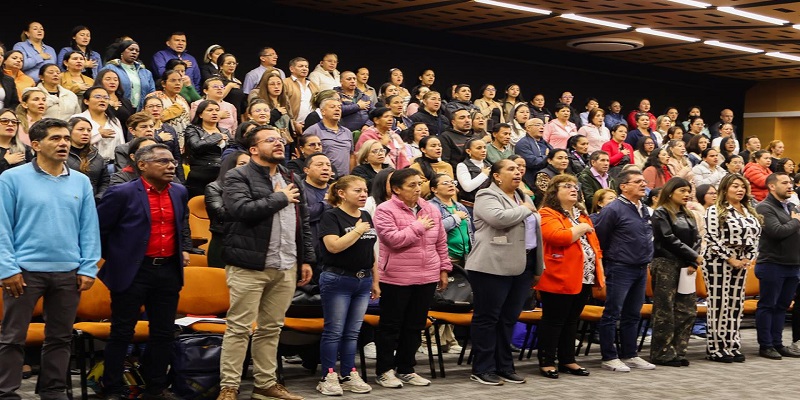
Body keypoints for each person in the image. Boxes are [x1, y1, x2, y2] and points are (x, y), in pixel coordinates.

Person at [0, 118, 100, 399]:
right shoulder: (11, 178)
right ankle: (6, 392)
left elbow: (89, 227)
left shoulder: (81, 181)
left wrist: (88, 267)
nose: (64, 143)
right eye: (55, 138)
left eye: (66, 138)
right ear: (35, 145)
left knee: (60, 337)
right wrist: (7, 268)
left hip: (69, 271)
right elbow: (2, 227)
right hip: (23, 272)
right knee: (12, 338)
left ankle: (53, 391)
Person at [216, 125, 314, 400]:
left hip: (285, 264)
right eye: (270, 140)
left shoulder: (291, 176)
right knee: (239, 328)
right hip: (249, 265)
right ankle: (230, 387)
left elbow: (302, 222)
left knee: (271, 329)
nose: (279, 143)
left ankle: (265, 384)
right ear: (254, 149)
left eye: (280, 139)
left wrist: (306, 259)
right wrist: (279, 198)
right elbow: (240, 211)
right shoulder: (238, 176)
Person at [97, 143, 191, 400]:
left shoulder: (180, 192)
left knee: (163, 333)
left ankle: (156, 387)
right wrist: (119, 259)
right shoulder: (122, 193)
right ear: (142, 165)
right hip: (133, 272)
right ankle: (113, 388)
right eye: (162, 161)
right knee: (122, 332)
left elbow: (180, 227)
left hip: (168, 271)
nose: (171, 166)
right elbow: (100, 231)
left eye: (172, 161)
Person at [370, 168, 451, 388]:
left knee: (415, 326)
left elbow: (440, 242)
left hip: (427, 276)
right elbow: (393, 240)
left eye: (419, 184)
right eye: (411, 185)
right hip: (396, 277)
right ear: (396, 189)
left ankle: (406, 368)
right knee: (391, 326)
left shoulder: (431, 208)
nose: (417, 189)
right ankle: (385, 370)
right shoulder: (384, 210)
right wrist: (418, 226)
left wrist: (444, 268)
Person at [466, 159, 543, 386]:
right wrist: (524, 209)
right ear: (497, 176)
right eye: (510, 169)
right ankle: (482, 368)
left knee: (508, 319)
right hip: (491, 265)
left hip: (523, 264)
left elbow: (535, 231)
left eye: (519, 168)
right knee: (488, 318)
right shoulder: (486, 196)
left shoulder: (523, 196)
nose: (518, 171)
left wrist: (539, 265)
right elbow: (498, 219)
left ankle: (504, 366)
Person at [315, 175, 378, 396]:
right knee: (334, 331)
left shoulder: (366, 215)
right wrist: (358, 230)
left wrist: (375, 280)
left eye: (365, 190)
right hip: (338, 279)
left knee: (353, 332)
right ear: (341, 193)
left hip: (363, 280)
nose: (363, 195)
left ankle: (349, 373)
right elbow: (333, 247)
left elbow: (370, 251)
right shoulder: (331, 216)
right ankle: (328, 375)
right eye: (357, 191)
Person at [536, 174, 603, 378]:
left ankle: (568, 360)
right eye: (567, 186)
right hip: (559, 274)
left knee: (572, 320)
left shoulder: (581, 214)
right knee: (554, 320)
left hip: (584, 275)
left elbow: (595, 246)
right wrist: (581, 229)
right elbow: (558, 237)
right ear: (555, 192)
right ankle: (547, 361)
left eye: (575, 186)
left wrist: (599, 269)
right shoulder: (547, 213)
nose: (573, 189)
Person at [593, 169, 656, 372]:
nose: (643, 184)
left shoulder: (643, 208)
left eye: (644, 181)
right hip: (620, 266)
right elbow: (600, 237)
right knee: (612, 313)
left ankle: (630, 354)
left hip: (640, 266)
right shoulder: (613, 209)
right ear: (624, 186)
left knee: (633, 314)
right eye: (637, 181)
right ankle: (609, 356)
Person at [703, 173, 762, 362]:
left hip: (742, 261)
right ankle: (717, 348)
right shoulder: (715, 210)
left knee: (736, 305)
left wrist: (747, 258)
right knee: (720, 305)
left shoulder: (748, 211)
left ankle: (732, 344)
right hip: (718, 261)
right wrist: (730, 258)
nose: (740, 190)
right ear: (725, 189)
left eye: (742, 186)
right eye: (735, 186)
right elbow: (712, 239)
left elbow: (755, 238)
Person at [649, 177, 702, 367]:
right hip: (666, 263)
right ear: (670, 192)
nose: (687, 194)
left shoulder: (688, 213)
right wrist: (694, 256)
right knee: (665, 311)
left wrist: (692, 260)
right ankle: (662, 353)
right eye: (682, 191)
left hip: (686, 265)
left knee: (687, 310)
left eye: (688, 191)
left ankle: (678, 351)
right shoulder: (661, 213)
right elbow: (668, 238)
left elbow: (696, 238)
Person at [754, 172, 800, 359]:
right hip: (772, 263)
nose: (790, 186)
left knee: (782, 306)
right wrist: (796, 221)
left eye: (790, 182)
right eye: (784, 183)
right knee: (768, 305)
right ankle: (766, 345)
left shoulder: (791, 206)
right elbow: (777, 231)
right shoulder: (765, 208)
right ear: (772, 186)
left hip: (793, 263)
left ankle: (778, 343)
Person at [205, 151, 250, 268]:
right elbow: (221, 213)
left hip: (247, 243)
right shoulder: (214, 187)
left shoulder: (254, 187)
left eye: (250, 164)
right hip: (223, 241)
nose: (247, 168)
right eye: (242, 163)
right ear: (231, 166)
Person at [184, 100, 229, 198]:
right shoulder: (192, 129)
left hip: (221, 175)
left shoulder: (225, 131)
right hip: (200, 175)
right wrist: (216, 137)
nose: (214, 113)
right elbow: (196, 146)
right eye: (210, 110)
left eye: (217, 110)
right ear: (200, 115)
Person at [72, 86, 125, 162]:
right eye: (98, 97)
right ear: (86, 101)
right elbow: (73, 143)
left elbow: (121, 144)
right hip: (87, 162)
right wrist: (98, 135)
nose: (102, 100)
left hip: (114, 164)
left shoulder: (114, 121)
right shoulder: (77, 118)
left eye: (106, 98)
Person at [303, 97, 354, 175]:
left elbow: (351, 156)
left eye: (339, 107)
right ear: (323, 111)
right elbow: (305, 155)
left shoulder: (347, 132)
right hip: (323, 177)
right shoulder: (313, 131)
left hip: (344, 179)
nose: (337, 109)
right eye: (332, 107)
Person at [100, 40, 156, 110]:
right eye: (131, 49)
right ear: (122, 51)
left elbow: (152, 93)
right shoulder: (110, 68)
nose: (134, 52)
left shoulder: (146, 72)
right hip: (117, 108)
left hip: (140, 111)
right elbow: (99, 87)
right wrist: (109, 102)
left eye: (137, 51)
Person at [67, 116, 109, 201]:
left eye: (89, 130)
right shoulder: (61, 154)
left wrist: (99, 197)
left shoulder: (96, 156)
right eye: (81, 129)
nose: (86, 133)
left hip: (92, 201)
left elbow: (105, 182)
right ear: (69, 132)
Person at [95, 69, 135, 139]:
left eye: (115, 80)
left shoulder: (125, 101)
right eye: (108, 79)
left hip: (124, 138)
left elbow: (131, 121)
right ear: (100, 81)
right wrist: (109, 104)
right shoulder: (95, 100)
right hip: (103, 137)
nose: (112, 82)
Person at [284, 57, 319, 128]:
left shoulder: (313, 85)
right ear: (292, 69)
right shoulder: (285, 83)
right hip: (293, 125)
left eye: (306, 66)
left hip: (313, 125)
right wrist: (293, 123)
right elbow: (283, 104)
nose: (304, 68)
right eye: (301, 66)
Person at [515, 118, 551, 183]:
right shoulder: (523, 143)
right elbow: (533, 162)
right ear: (528, 128)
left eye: (543, 125)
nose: (542, 127)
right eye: (538, 125)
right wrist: (546, 156)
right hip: (533, 179)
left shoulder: (545, 143)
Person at [0, 109, 33, 174]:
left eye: (14, 122)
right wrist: (6, 162)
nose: (10, 124)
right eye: (4, 121)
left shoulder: (25, 149)